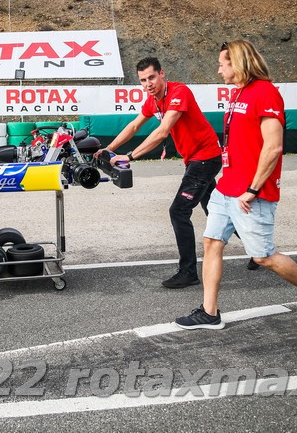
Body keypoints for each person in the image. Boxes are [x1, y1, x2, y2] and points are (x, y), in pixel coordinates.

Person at [175, 40, 297, 330]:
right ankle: (209, 313)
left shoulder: (266, 93)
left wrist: (253, 188)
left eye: (223, 63)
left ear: (238, 63)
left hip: (252, 194)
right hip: (226, 188)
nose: (219, 68)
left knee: (263, 257)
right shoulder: (239, 94)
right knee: (211, 243)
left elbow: (273, 148)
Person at [95, 56, 222, 289]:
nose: (148, 84)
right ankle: (257, 251)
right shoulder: (153, 101)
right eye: (143, 80)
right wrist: (110, 148)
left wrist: (130, 155)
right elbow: (134, 126)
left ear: (162, 74)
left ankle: (188, 272)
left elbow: (163, 132)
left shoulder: (179, 92)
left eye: (151, 77)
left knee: (178, 211)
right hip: (196, 159)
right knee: (216, 209)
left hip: (204, 158)